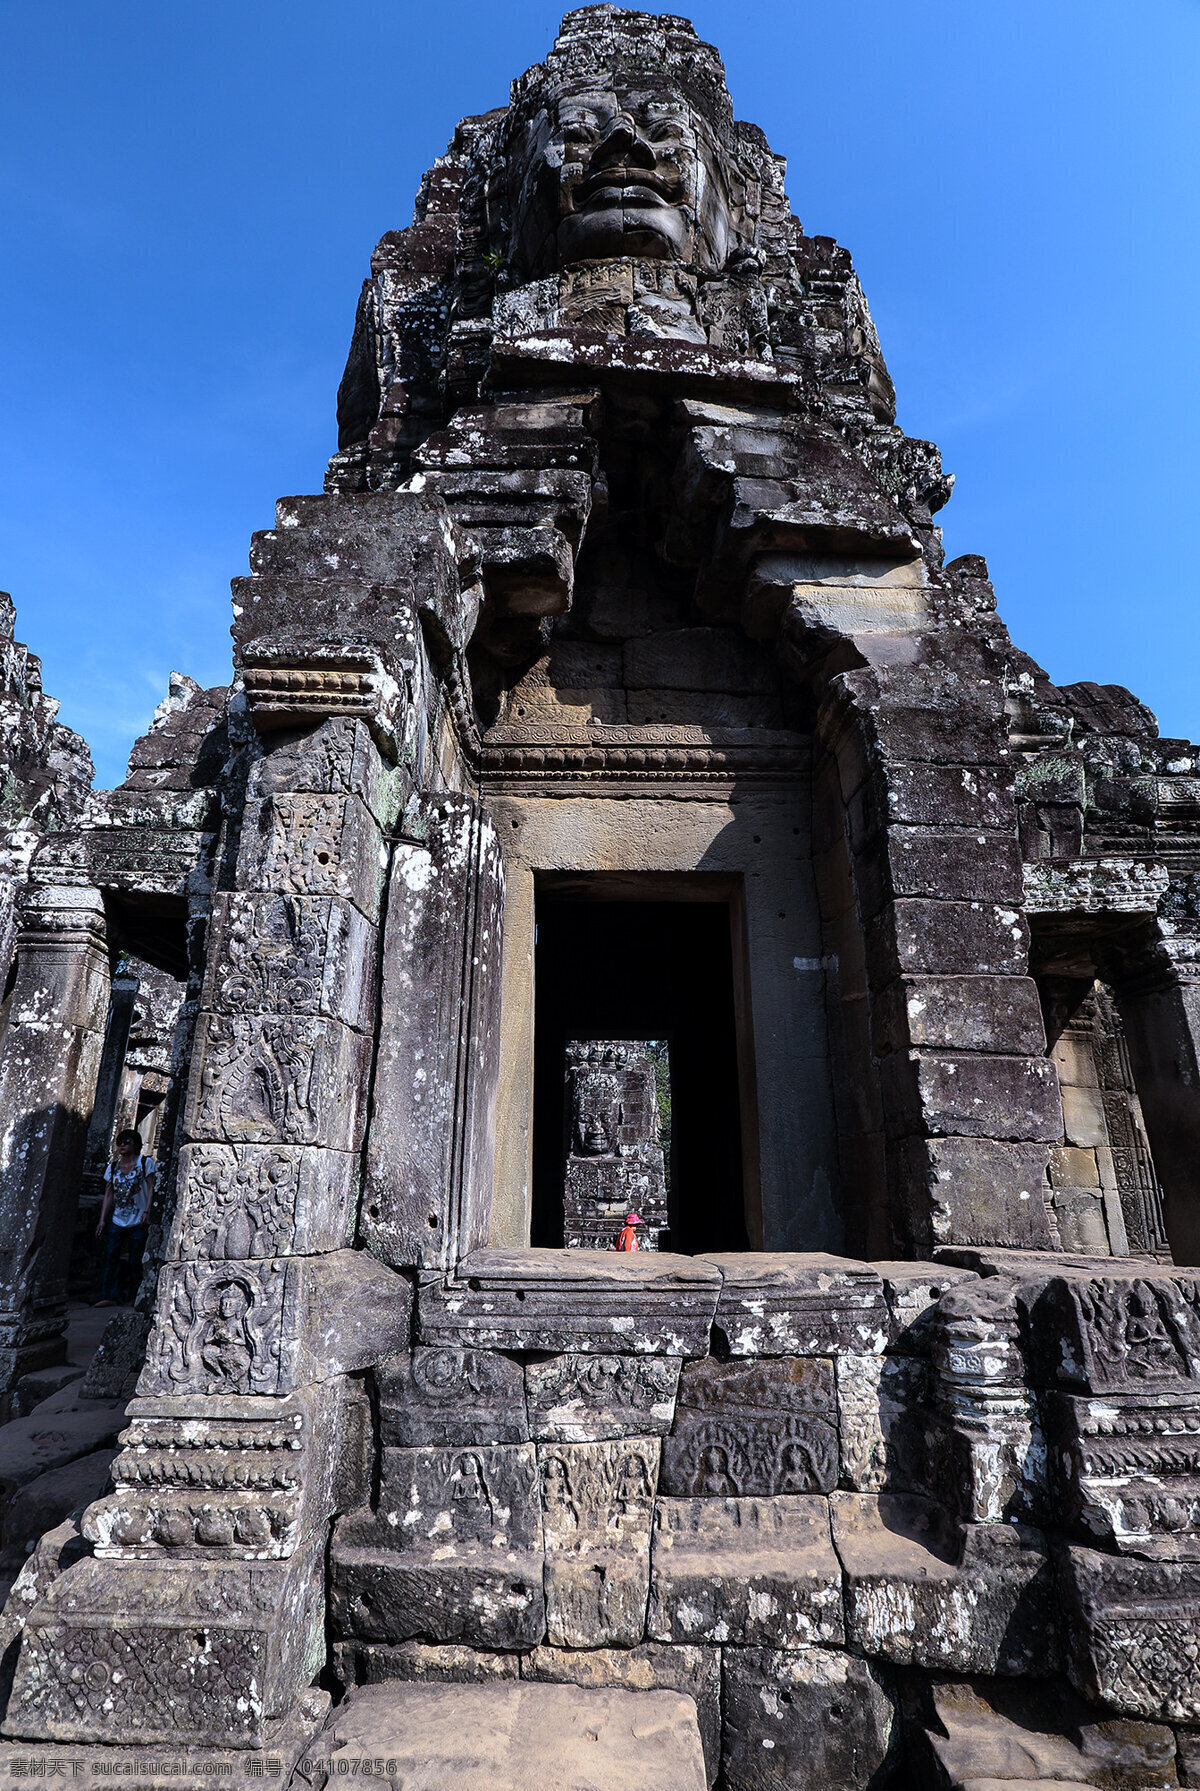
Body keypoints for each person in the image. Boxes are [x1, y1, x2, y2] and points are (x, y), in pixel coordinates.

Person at [95, 1129, 155, 1306]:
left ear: (136, 1144)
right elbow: (108, 1195)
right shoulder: (112, 1167)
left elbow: (151, 1188)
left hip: (139, 1218)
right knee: (111, 1256)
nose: (122, 1145)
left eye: (126, 1142)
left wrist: (147, 1210)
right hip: (117, 1219)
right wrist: (102, 1220)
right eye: (119, 1142)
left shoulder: (145, 1163)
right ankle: (109, 1295)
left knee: (135, 1259)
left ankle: (133, 1295)